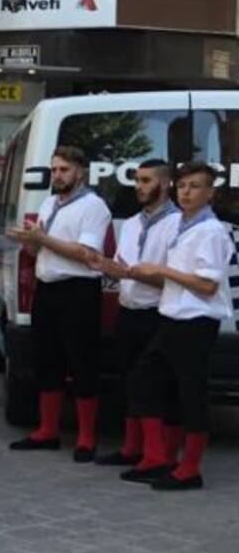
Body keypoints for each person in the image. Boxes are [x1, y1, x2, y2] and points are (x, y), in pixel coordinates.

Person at [117, 162, 233, 490]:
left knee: (190, 392)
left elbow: (207, 285)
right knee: (146, 380)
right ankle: (157, 456)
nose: (186, 192)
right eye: (182, 186)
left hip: (196, 320)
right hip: (172, 316)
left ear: (210, 193)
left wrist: (163, 272)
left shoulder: (210, 230)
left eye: (195, 186)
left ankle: (190, 468)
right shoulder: (183, 224)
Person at [7, 146, 112, 461]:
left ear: (80, 171)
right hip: (48, 288)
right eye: (54, 170)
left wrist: (42, 240)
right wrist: (29, 243)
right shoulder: (50, 203)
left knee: (82, 363)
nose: (57, 176)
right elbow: (43, 250)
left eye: (64, 170)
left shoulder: (93, 206)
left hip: (78, 290)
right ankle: (47, 431)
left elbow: (86, 254)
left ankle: (86, 438)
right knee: (47, 361)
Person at [89, 160, 180, 467]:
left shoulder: (177, 224)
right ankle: (131, 447)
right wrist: (106, 268)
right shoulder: (130, 224)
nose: (139, 186)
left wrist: (128, 273)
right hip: (128, 311)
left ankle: (157, 454)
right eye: (137, 180)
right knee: (129, 380)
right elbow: (121, 267)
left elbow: (173, 277)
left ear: (165, 184)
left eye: (146, 180)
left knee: (153, 383)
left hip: (159, 312)